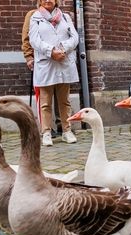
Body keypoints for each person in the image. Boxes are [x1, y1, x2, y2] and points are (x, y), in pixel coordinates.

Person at [29, 0, 79, 146]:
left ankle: (66, 131)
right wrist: (51, 51)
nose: (47, 0)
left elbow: (74, 37)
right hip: (46, 64)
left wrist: (63, 48)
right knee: (45, 103)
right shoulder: (36, 18)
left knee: (64, 101)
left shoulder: (65, 17)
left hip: (64, 62)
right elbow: (34, 40)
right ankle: (46, 133)